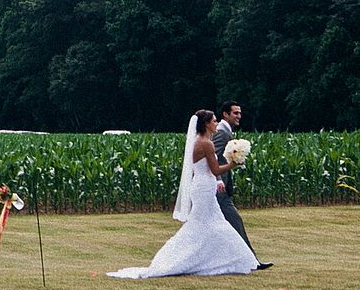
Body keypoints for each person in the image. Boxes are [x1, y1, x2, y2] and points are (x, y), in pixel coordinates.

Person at [108, 109, 259, 279]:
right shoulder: (206, 144)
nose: (216, 124)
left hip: (201, 186)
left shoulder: (197, 141)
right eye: (214, 121)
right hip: (204, 187)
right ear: (206, 124)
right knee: (205, 225)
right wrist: (234, 164)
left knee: (209, 224)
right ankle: (228, 259)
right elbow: (215, 169)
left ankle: (224, 259)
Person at [212, 100, 271, 269]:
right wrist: (217, 180)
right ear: (225, 114)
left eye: (239, 112)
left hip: (222, 185)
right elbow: (214, 158)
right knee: (235, 221)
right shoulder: (222, 132)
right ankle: (252, 261)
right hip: (218, 188)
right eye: (235, 113)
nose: (239, 116)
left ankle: (234, 260)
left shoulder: (225, 131)